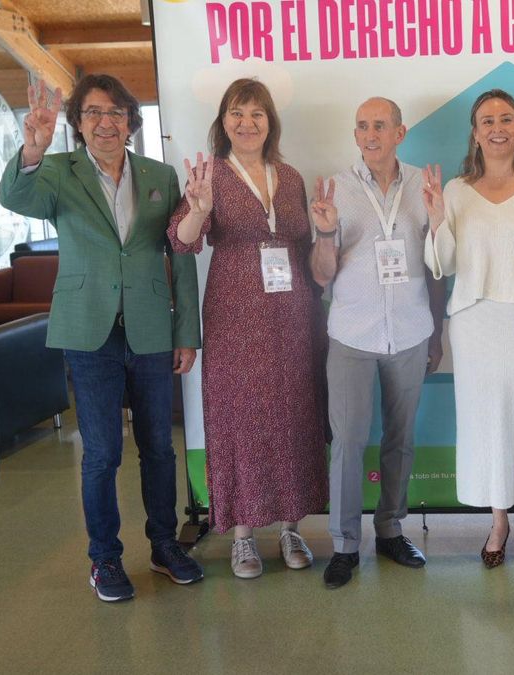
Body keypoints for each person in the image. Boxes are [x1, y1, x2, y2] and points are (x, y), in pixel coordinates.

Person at [0, 75, 204, 602]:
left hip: (152, 328)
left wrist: (187, 332)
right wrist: (33, 146)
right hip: (89, 330)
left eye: (115, 112)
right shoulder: (57, 172)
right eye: (93, 113)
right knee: (101, 454)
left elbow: (180, 257)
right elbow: (13, 196)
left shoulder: (159, 175)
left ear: (131, 122)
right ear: (79, 124)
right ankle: (105, 559)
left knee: (160, 447)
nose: (105, 122)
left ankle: (164, 545)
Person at [168, 78, 328, 580]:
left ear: (270, 123)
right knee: (241, 417)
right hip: (235, 315)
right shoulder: (208, 174)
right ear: (223, 122)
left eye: (257, 114)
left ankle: (289, 525)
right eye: (237, 113)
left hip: (294, 314)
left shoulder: (292, 176)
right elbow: (181, 240)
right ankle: (241, 536)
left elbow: (304, 245)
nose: (247, 123)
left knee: (292, 415)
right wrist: (198, 210)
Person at [423, 89, 514, 570]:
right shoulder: (456, 192)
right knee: (486, 424)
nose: (496, 127)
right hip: (475, 324)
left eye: (505, 118)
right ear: (475, 132)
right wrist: (434, 221)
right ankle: (498, 521)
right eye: (486, 120)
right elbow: (441, 264)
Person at [308, 97, 448, 589]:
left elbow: (437, 267)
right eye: (361, 126)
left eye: (379, 126)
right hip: (352, 333)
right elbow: (321, 275)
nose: (369, 135)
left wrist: (438, 330)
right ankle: (345, 544)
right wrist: (326, 233)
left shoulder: (424, 186)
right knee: (347, 441)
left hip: (410, 332)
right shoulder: (336, 189)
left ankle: (390, 529)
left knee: (400, 439)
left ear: (400, 133)